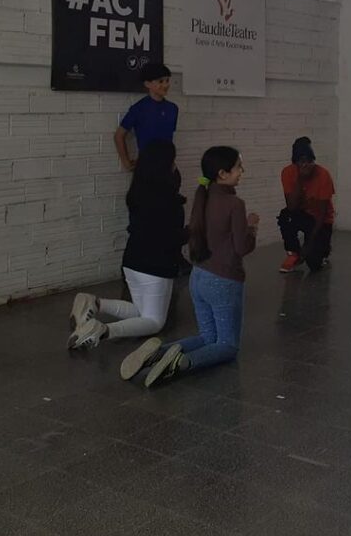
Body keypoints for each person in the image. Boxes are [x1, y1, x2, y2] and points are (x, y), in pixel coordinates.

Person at [120, 146, 259, 388]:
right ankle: (181, 363)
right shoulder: (235, 204)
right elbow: (241, 247)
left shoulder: (202, 198)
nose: (242, 171)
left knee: (207, 336)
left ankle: (159, 353)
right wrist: (252, 228)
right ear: (222, 173)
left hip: (198, 277)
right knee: (227, 345)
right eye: (238, 167)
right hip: (224, 281)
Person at [68, 140, 187, 349]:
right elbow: (172, 239)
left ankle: (95, 303)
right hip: (156, 266)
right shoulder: (171, 202)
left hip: (132, 260)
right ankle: (101, 331)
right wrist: (192, 232)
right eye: (172, 161)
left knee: (140, 312)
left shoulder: (137, 194)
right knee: (154, 321)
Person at [278, 137, 335, 273]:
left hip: (321, 221)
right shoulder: (288, 173)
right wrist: (300, 179)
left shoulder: (323, 175)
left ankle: (324, 250)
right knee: (285, 216)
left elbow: (322, 214)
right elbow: (291, 207)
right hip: (303, 215)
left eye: (309, 161)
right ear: (295, 163)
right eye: (301, 161)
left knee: (314, 264)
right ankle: (293, 253)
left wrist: (308, 244)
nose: (306, 165)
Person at [114, 63, 178, 172]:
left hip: (168, 166)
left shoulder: (173, 108)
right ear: (147, 84)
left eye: (167, 80)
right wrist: (126, 162)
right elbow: (118, 135)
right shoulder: (138, 109)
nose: (165, 85)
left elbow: (168, 138)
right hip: (147, 166)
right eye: (160, 81)